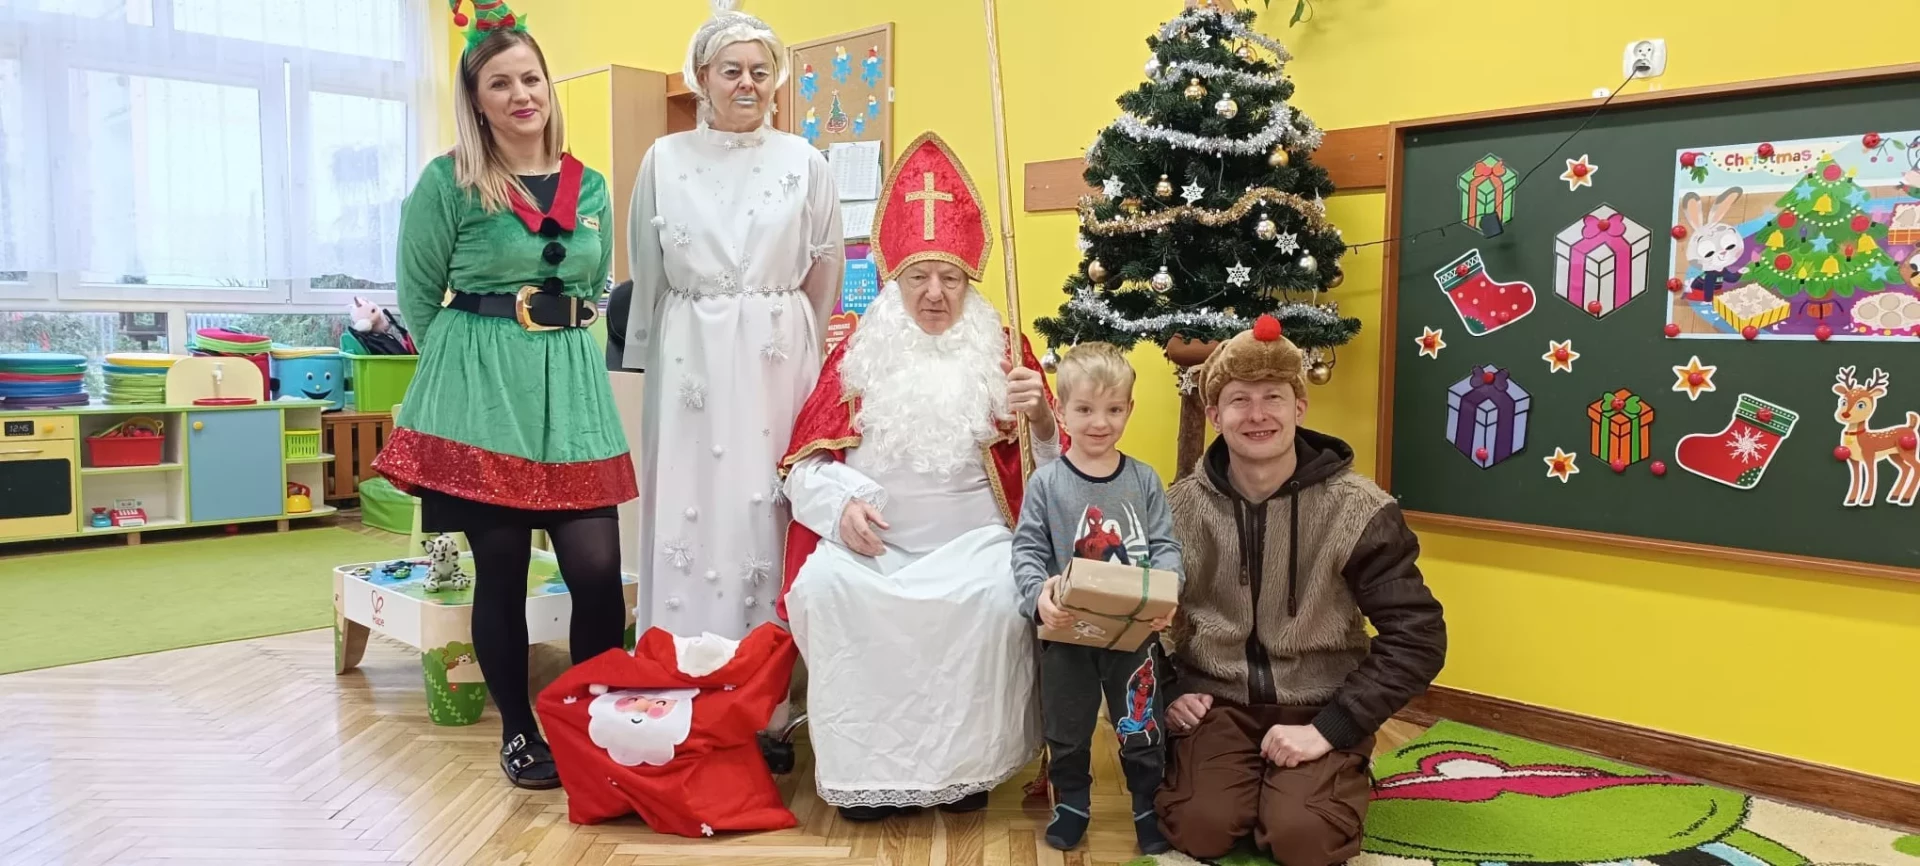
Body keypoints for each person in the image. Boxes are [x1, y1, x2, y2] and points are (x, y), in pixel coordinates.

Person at [374, 0, 633, 790]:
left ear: (548, 87)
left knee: (597, 569)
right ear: (476, 100)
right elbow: (419, 296)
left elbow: (592, 283)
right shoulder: (448, 182)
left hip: (571, 389)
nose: (522, 95)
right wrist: (467, 365)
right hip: (483, 395)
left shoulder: (591, 188)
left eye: (531, 79)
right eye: (500, 84)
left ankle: (591, 727)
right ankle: (520, 734)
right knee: (503, 568)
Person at [775, 131, 1062, 821]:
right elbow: (801, 469)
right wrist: (840, 510)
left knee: (996, 598)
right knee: (828, 589)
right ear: (893, 279)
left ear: (970, 281)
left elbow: (1056, 478)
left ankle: (965, 772)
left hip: (977, 546)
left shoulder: (1005, 351)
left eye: (951, 278)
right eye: (918, 278)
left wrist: (1042, 421)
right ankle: (866, 778)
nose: (935, 295)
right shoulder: (859, 353)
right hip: (874, 550)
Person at [1154, 315, 1448, 864]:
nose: (1258, 414)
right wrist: (1169, 691)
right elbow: (1133, 618)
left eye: (1274, 397)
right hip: (1217, 704)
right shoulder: (1176, 510)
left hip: (1320, 703)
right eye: (1239, 400)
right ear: (1214, 415)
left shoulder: (1359, 509)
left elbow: (1419, 637)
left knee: (1303, 839)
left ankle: (1333, 768)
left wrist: (1333, 728)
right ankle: (1243, 780)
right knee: (1200, 829)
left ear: (1300, 407)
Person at [623, 2, 843, 643]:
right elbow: (647, 264)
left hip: (778, 352)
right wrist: (649, 350)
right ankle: (684, 653)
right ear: (702, 77)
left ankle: (770, 665)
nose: (747, 83)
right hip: (690, 349)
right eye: (731, 70)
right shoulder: (663, 159)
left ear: (776, 79)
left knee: (767, 496)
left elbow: (824, 266)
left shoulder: (805, 161)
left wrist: (804, 342)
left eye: (760, 71)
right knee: (693, 497)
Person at [1011, 342, 1181, 855]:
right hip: (1067, 632)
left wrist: (1166, 591)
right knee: (1067, 723)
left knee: (1141, 720)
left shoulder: (1143, 480)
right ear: (1060, 411)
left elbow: (1165, 546)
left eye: (1113, 409)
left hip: (1133, 633)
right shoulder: (1046, 484)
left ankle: (1147, 804)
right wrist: (1038, 597)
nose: (1099, 422)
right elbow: (1027, 551)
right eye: (1084, 409)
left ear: (1129, 409)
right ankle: (1073, 802)